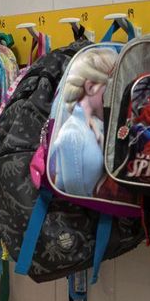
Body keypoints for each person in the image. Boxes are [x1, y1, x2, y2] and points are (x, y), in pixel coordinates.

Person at [49, 48, 116, 197]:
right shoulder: (72, 133)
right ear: (91, 87)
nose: (113, 99)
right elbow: (75, 195)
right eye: (111, 90)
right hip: (79, 216)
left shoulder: (93, 127)